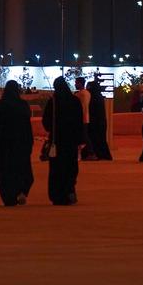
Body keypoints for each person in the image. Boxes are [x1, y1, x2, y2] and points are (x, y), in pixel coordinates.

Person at [43, 76, 83, 205]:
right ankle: (69, 191)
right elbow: (79, 122)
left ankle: (57, 195)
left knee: (57, 169)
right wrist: (80, 139)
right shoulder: (75, 101)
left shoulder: (53, 102)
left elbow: (46, 122)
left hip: (57, 141)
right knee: (70, 167)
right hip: (71, 142)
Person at [0, 80, 34, 207]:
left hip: (5, 143)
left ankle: (8, 197)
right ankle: (22, 190)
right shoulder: (23, 105)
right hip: (21, 142)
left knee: (6, 170)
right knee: (21, 168)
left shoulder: (1, 105)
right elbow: (27, 125)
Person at [84, 80, 112, 161]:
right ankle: (102, 154)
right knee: (100, 139)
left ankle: (96, 154)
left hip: (95, 122)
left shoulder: (93, 97)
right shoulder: (99, 96)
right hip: (100, 122)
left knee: (95, 138)